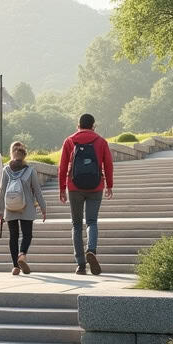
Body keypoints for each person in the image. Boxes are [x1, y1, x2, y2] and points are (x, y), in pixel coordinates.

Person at [58, 114, 114, 275]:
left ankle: (81, 265)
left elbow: (62, 167)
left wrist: (62, 188)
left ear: (78, 125)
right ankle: (91, 250)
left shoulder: (69, 140)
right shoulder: (101, 141)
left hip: (74, 186)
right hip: (96, 186)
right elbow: (108, 165)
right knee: (92, 222)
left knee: (76, 225)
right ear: (93, 125)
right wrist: (109, 185)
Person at [0, 142, 47, 276]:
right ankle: (22, 254)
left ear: (12, 154)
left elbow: (2, 192)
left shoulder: (6, 170)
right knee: (27, 235)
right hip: (27, 207)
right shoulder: (30, 170)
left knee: (13, 236)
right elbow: (37, 191)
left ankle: (15, 267)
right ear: (25, 155)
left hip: (10, 207)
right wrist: (43, 208)